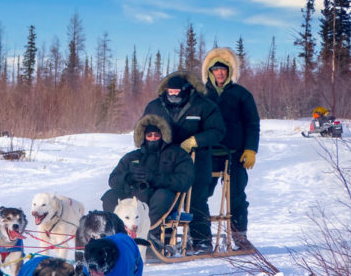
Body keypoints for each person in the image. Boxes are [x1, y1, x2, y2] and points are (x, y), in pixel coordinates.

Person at [143, 71, 226, 253]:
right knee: (165, 198)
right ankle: (161, 239)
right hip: (164, 161)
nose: (172, 95)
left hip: (197, 160)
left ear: (186, 90)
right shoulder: (155, 106)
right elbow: (144, 128)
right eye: (170, 92)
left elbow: (218, 130)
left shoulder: (203, 105)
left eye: (176, 92)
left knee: (196, 198)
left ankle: (202, 240)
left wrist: (195, 140)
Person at [201, 48, 260, 249]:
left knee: (236, 196)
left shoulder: (241, 94)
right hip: (208, 154)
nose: (219, 73)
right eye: (215, 70)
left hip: (235, 154)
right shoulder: (201, 95)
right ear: (210, 71)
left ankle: (240, 237)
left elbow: (252, 123)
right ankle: (201, 239)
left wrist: (251, 149)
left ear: (229, 71)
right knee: (200, 195)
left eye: (223, 69)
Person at [101, 114, 194, 227]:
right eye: (149, 135)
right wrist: (129, 178)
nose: (153, 138)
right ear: (143, 136)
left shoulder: (177, 154)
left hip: (161, 198)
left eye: (156, 135)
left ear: (163, 135)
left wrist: (155, 178)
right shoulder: (132, 157)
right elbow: (113, 180)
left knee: (162, 196)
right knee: (109, 196)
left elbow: (185, 181)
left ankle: (149, 232)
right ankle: (119, 230)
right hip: (134, 197)